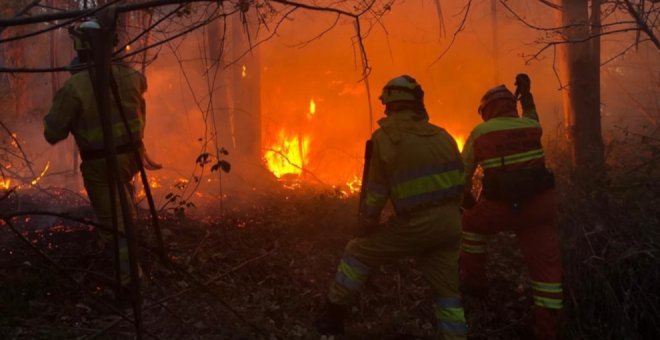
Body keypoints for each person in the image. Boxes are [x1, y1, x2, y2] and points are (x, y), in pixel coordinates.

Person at [315, 75, 467, 339]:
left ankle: (333, 315)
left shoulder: (386, 138)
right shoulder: (444, 137)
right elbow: (461, 184)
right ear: (416, 102)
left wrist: (366, 224)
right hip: (451, 224)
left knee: (357, 252)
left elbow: (375, 194)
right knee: (448, 295)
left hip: (416, 225)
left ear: (389, 105)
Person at [43, 20, 152, 288]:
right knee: (123, 209)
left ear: (81, 48)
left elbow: (53, 133)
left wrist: (57, 114)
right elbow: (140, 110)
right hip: (132, 157)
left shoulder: (75, 88)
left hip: (101, 164)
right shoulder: (132, 77)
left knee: (114, 225)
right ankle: (129, 257)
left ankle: (130, 283)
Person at [459, 74, 562, 339]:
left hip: (500, 208)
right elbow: (533, 115)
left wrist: (467, 203)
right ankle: (548, 329)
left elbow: (460, 176)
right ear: (510, 105)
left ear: (486, 111)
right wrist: (526, 94)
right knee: (547, 272)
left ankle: (475, 283)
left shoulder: (480, 132)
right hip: (540, 208)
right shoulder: (531, 125)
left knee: (470, 225)